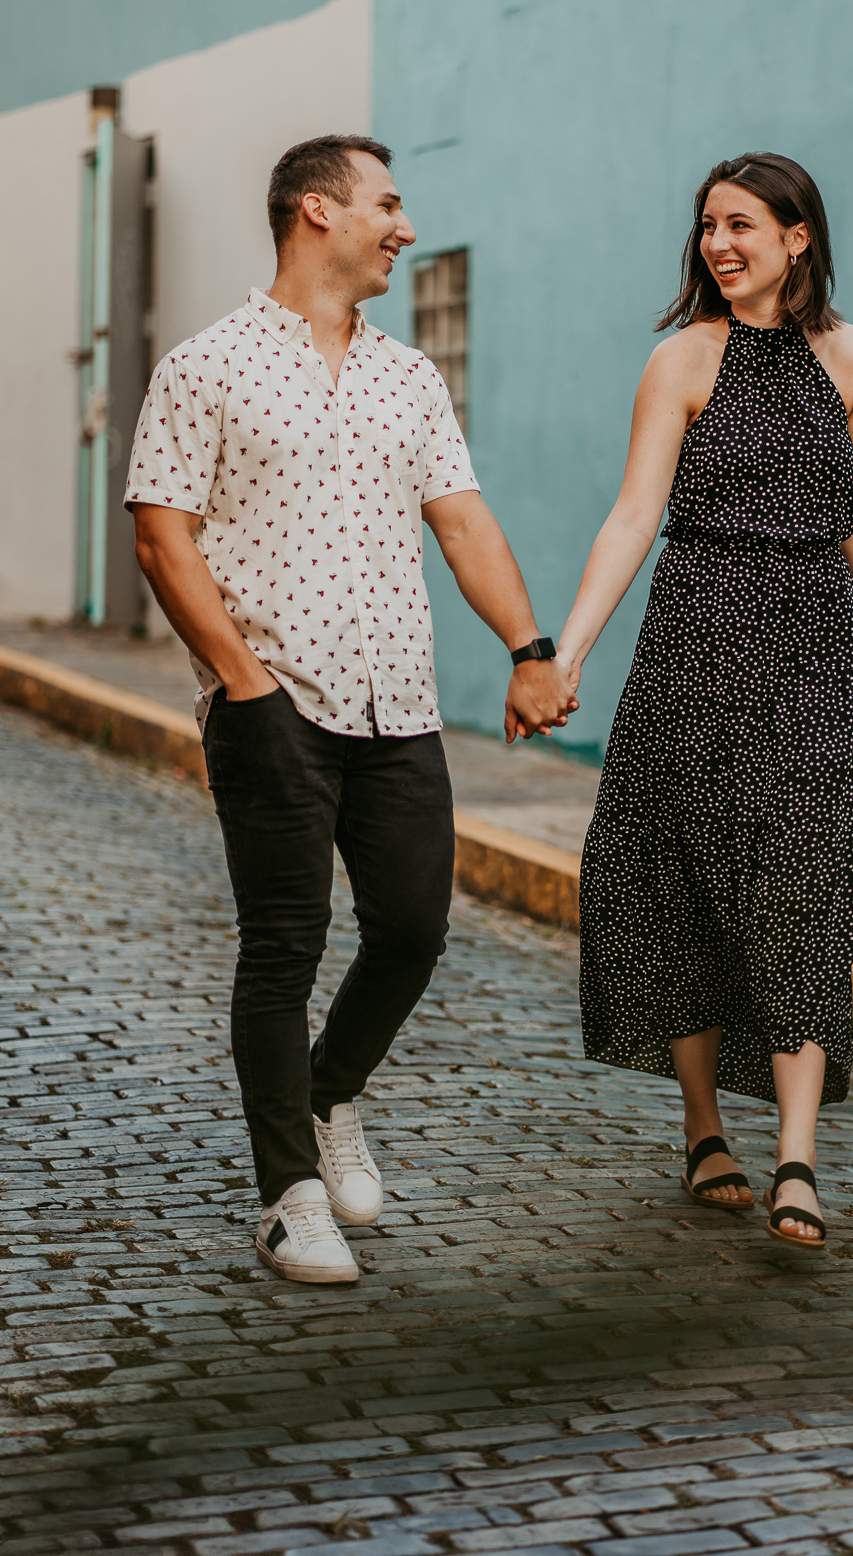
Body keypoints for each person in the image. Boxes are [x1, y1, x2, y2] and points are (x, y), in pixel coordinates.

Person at [126, 134, 574, 1284]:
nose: (405, 227)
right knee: (284, 946)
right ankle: (288, 1196)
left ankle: (331, 1097)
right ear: (316, 211)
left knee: (416, 927)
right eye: (389, 203)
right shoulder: (206, 365)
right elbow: (163, 536)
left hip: (399, 706)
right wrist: (242, 681)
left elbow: (463, 524)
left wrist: (528, 648)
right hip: (270, 700)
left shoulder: (408, 375)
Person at [555, 153, 853, 1250]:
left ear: (799, 236)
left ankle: (798, 1155)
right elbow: (630, 518)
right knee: (677, 885)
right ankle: (705, 1127)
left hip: (812, 656)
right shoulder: (683, 360)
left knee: (807, 889)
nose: (719, 243)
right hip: (694, 648)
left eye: (742, 224)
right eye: (708, 225)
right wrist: (563, 654)